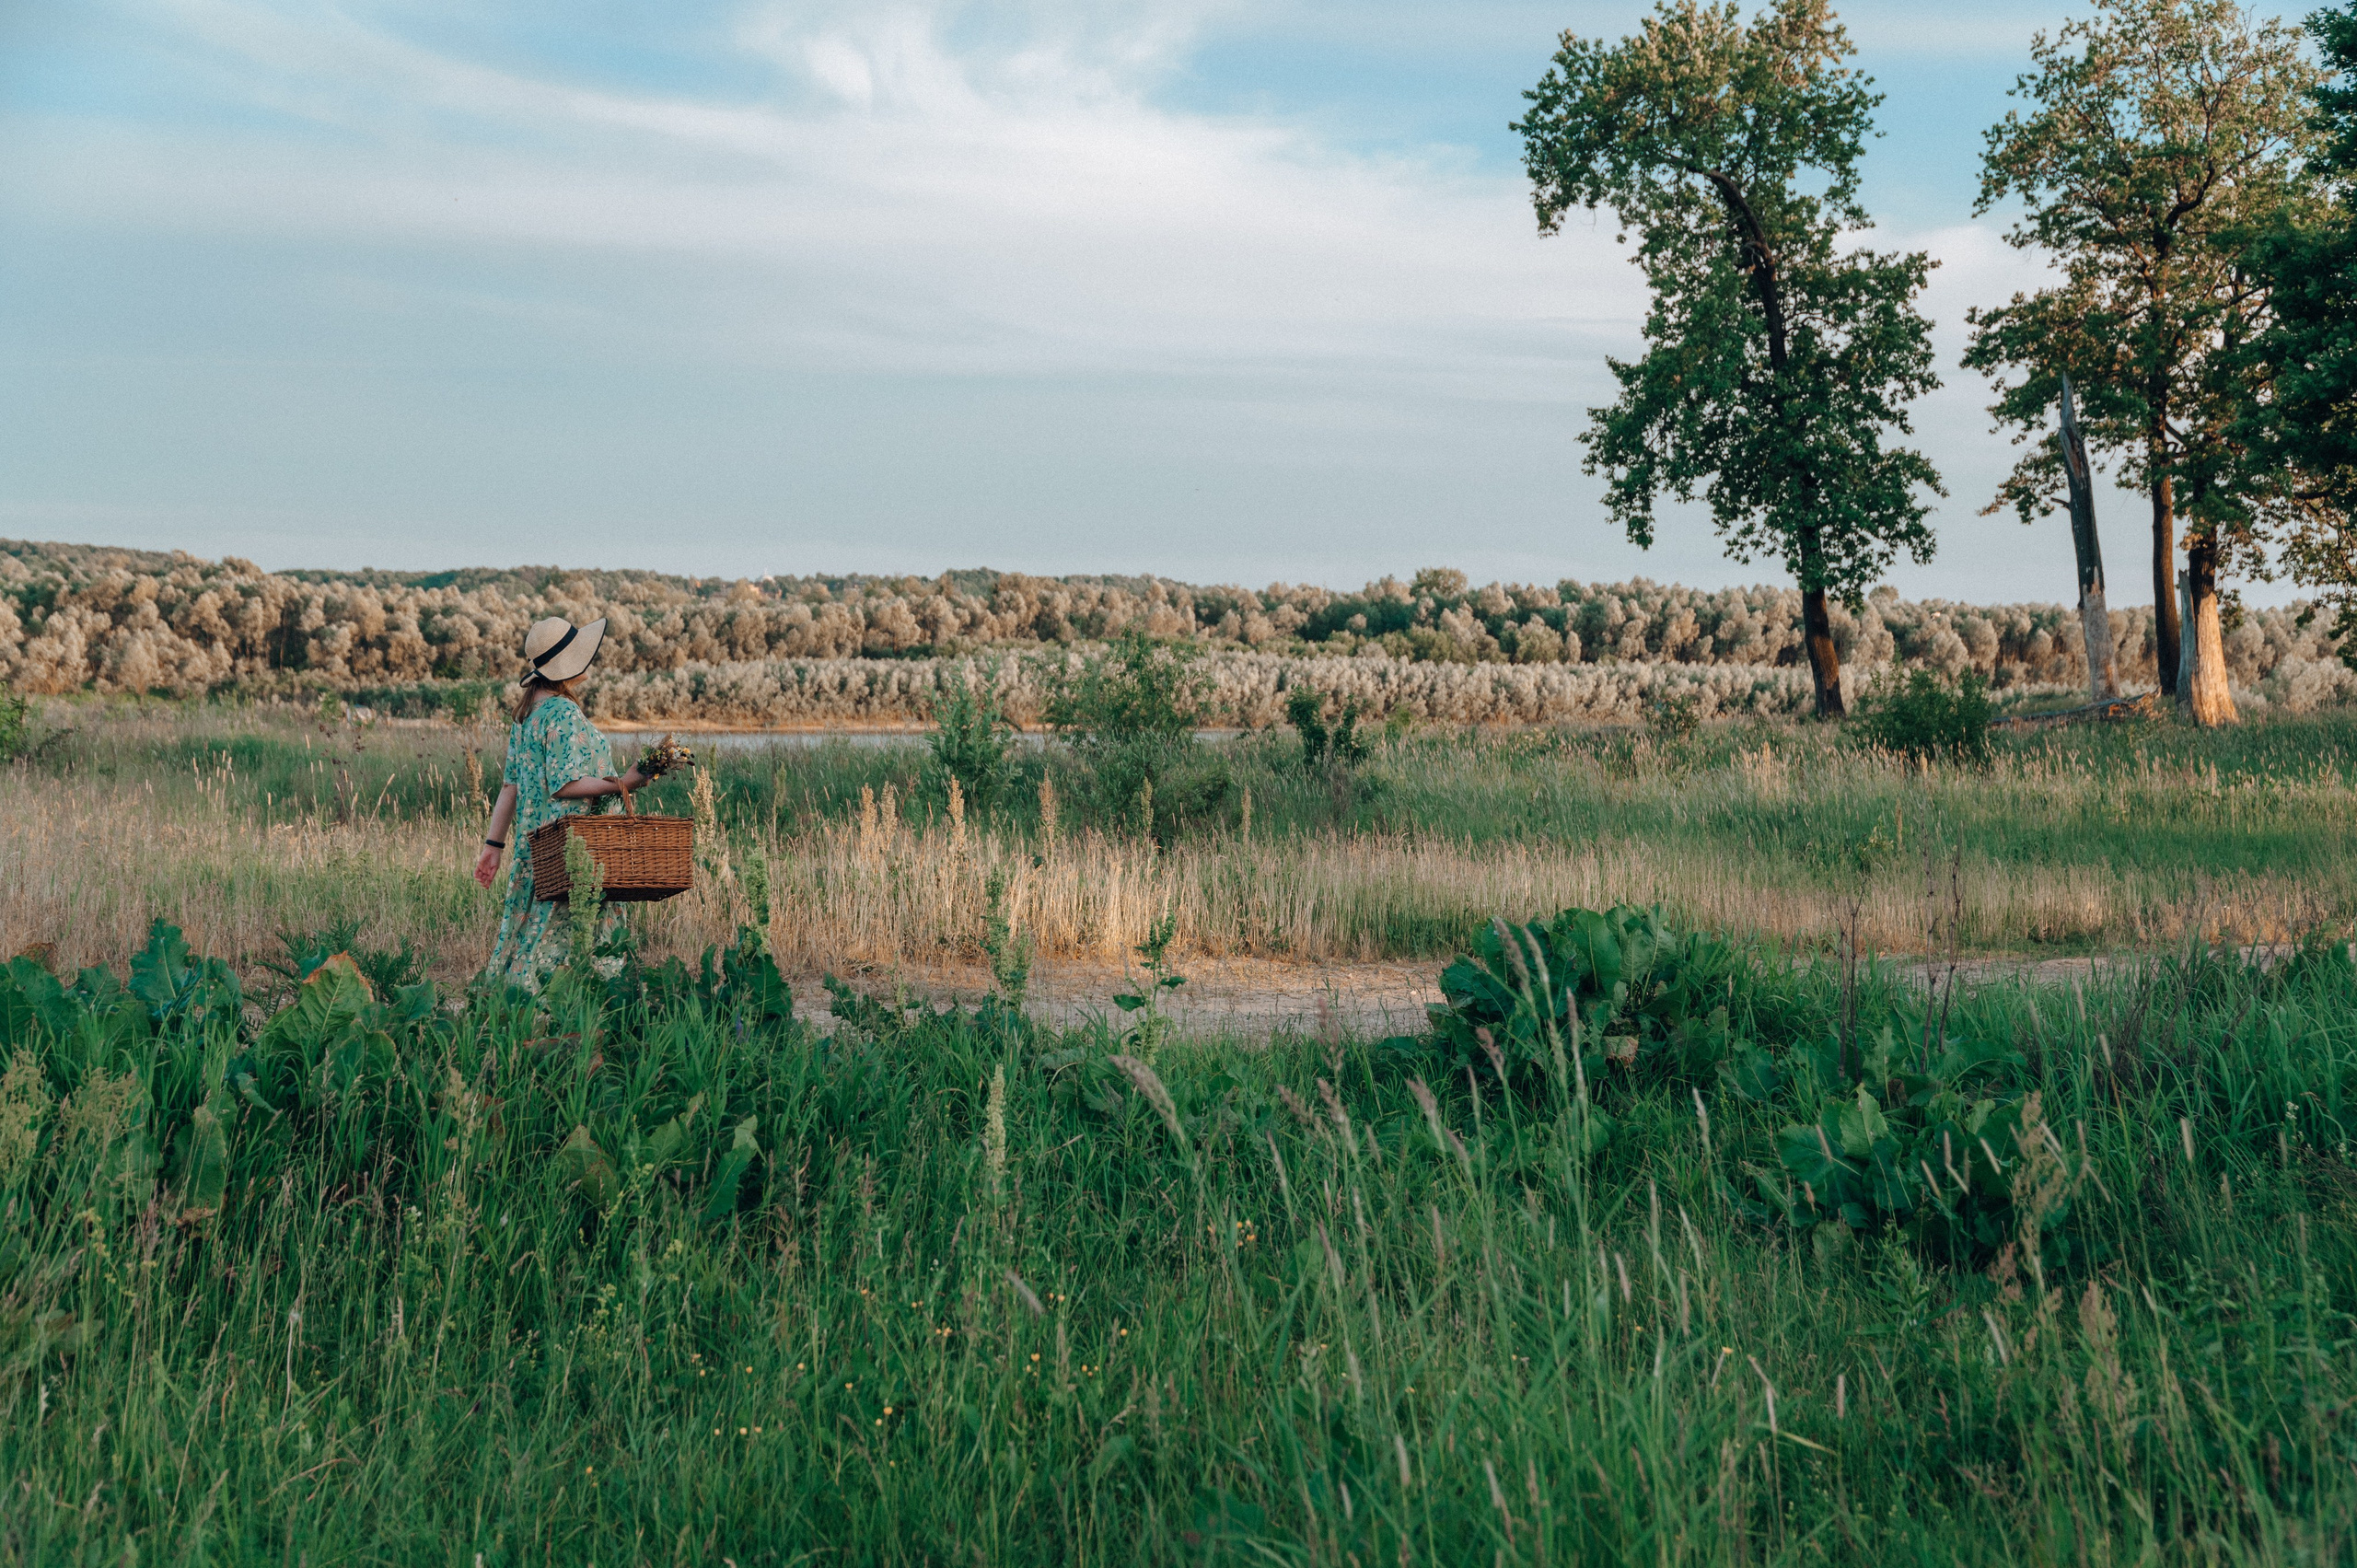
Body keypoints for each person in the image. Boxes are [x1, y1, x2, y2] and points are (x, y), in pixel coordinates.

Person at [473, 616, 651, 989]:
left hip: (535, 848)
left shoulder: (525, 716)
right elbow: (565, 785)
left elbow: (510, 788)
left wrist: (493, 846)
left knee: (530, 936)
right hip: (572, 850)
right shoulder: (563, 714)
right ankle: (576, 1014)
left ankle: (515, 1009)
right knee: (571, 939)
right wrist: (626, 783)